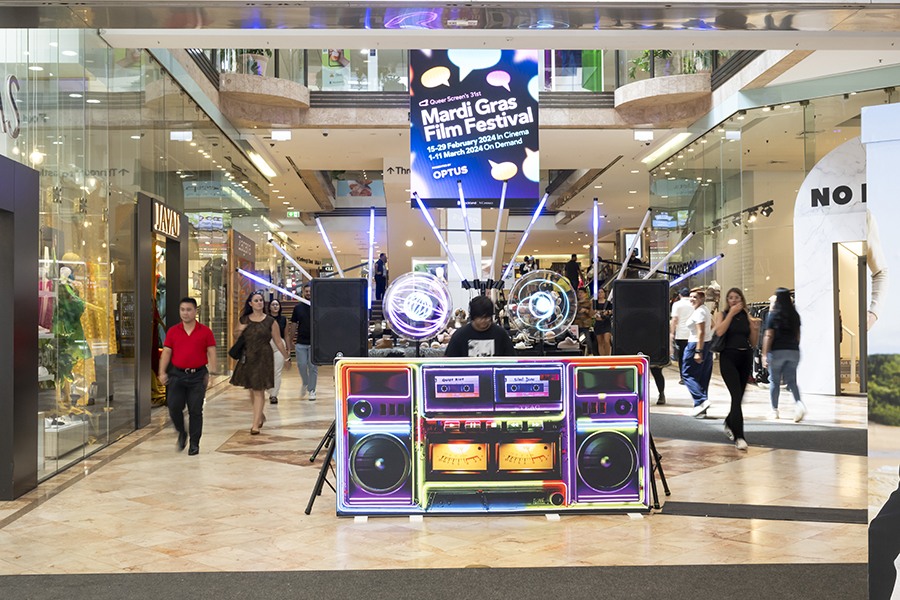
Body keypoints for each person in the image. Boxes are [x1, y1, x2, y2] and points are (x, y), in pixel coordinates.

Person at [157, 297, 217, 456]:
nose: (185, 313)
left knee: (195, 410)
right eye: (182, 309)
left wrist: (213, 373)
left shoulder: (205, 331)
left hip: (198, 375)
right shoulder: (173, 331)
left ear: (196, 311)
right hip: (177, 374)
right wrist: (162, 371)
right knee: (174, 406)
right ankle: (182, 432)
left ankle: (194, 444)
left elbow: (211, 352)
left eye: (189, 309)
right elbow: (167, 352)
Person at [231, 291, 290, 434]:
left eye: (261, 300)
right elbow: (235, 335)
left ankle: (255, 425)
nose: (259, 303)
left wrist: (286, 357)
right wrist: (241, 330)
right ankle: (260, 415)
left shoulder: (271, 321)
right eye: (256, 300)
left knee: (259, 391)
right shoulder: (244, 319)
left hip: (264, 357)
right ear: (250, 303)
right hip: (248, 356)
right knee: (251, 390)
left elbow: (277, 341)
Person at [713, 288, 761, 451]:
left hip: (745, 358)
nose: (733, 300)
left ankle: (728, 422)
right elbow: (719, 331)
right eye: (730, 298)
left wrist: (755, 329)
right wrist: (731, 314)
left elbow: (753, 343)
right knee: (735, 395)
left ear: (742, 299)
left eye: (736, 297)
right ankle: (739, 436)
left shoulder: (747, 316)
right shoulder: (723, 314)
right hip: (728, 358)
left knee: (738, 397)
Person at [761, 287, 806, 422]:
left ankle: (774, 410)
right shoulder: (795, 315)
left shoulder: (773, 315)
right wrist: (794, 347)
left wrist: (764, 354)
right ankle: (799, 403)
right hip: (793, 351)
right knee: (791, 381)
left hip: (777, 352)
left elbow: (768, 335)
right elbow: (798, 334)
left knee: (774, 381)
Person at [445, 295, 516, 357]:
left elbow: (511, 361)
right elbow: (449, 362)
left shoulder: (501, 334)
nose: (483, 321)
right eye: (479, 318)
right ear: (473, 316)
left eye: (486, 317)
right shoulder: (460, 335)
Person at [685, 288, 714, 418]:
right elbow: (712, 325)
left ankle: (701, 400)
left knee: (687, 375)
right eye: (691, 297)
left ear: (701, 299)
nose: (692, 299)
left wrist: (698, 351)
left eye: (695, 297)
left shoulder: (699, 312)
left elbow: (701, 332)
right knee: (703, 378)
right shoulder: (704, 310)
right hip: (706, 345)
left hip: (696, 344)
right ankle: (700, 409)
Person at [287, 284, 318, 400]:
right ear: (303, 293)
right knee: (301, 365)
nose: (308, 293)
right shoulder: (298, 307)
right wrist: (290, 340)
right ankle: (305, 382)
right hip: (301, 342)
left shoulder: (317, 307)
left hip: (314, 342)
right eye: (306, 291)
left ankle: (312, 390)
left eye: (310, 291)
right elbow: (294, 325)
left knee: (313, 367)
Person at [266, 299, 289, 405]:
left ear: (279, 307)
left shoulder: (284, 320)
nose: (275, 306)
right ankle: (268, 389)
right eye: (273, 304)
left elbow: (286, 335)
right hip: (266, 345)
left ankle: (274, 395)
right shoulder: (264, 318)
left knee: (277, 372)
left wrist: (288, 349)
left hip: (279, 344)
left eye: (277, 304)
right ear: (269, 307)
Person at [670, 287, 693, 384]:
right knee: (692, 356)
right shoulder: (694, 303)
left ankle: (683, 377)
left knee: (682, 356)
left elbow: (674, 319)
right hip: (693, 334)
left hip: (681, 334)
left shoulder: (677, 304)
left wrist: (671, 332)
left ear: (680, 295)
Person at [592, 287, 612, 356]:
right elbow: (592, 312)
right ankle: (602, 357)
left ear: (604, 293)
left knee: (606, 340)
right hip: (598, 323)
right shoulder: (595, 303)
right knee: (600, 342)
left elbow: (612, 310)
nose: (600, 294)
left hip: (606, 323)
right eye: (599, 292)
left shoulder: (608, 302)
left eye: (601, 292)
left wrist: (607, 312)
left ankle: (608, 356)